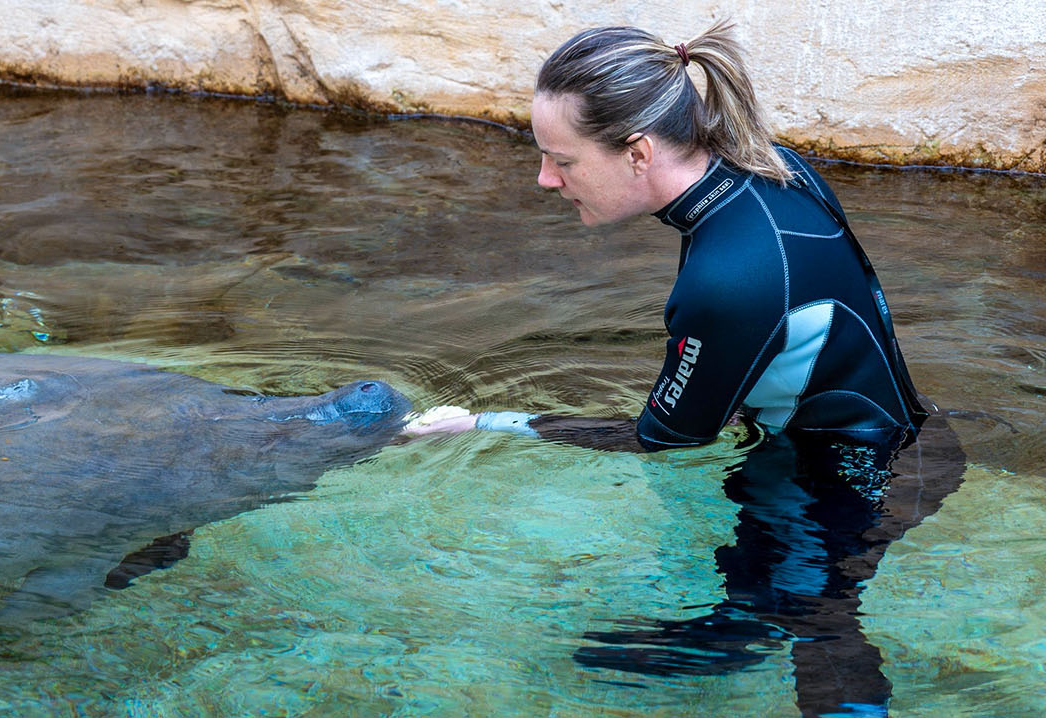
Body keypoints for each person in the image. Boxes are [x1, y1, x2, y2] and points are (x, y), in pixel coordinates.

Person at [403, 20, 965, 717]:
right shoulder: (769, 167)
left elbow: (660, 440)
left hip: (852, 478)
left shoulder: (726, 282)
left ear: (637, 152)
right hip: (904, 434)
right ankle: (740, 631)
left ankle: (748, 642)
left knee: (816, 624)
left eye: (561, 160)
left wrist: (485, 423)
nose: (545, 179)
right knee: (773, 598)